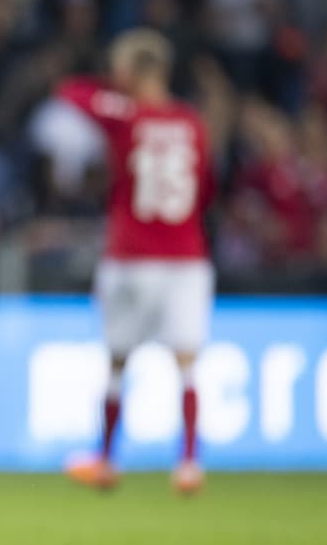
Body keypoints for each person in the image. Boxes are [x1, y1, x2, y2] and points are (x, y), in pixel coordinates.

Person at [57, 29, 214, 495]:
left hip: (131, 255)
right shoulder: (192, 122)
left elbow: (71, 93)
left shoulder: (125, 115)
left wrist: (112, 95)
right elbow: (206, 190)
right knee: (186, 362)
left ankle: (106, 460)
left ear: (139, 70)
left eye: (120, 66)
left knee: (118, 361)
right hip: (187, 255)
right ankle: (188, 465)